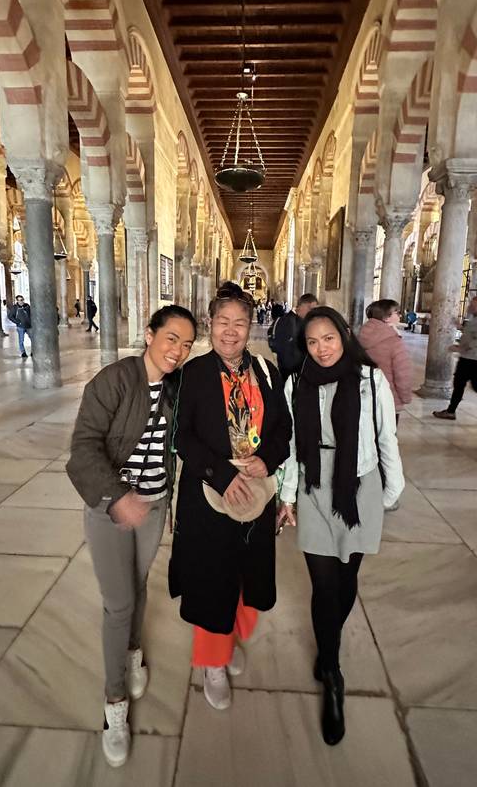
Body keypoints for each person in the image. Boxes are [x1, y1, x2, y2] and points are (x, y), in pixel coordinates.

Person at [66, 305, 196, 768]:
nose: (177, 350)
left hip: (155, 504)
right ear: (149, 334)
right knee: (118, 602)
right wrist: (119, 495)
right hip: (110, 506)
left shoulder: (177, 386)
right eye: (171, 338)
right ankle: (114, 704)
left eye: (185, 343)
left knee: (138, 585)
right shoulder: (115, 380)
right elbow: (82, 449)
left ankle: (134, 651)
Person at [278, 306, 404, 746]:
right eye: (312, 342)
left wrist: (390, 492)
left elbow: (386, 436)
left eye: (328, 338)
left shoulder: (370, 381)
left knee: (347, 575)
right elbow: (294, 444)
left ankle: (326, 646)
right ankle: (332, 671)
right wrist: (288, 495)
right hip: (315, 484)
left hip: (357, 484)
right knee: (324, 583)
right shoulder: (296, 383)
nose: (321, 349)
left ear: (343, 335)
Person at [169, 281, 292, 711]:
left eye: (240, 322)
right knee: (211, 578)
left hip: (256, 492)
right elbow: (181, 437)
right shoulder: (193, 374)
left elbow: (283, 429)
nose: (231, 331)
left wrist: (268, 460)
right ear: (210, 323)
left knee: (247, 573)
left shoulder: (268, 370)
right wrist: (221, 474)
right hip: (209, 494)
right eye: (223, 321)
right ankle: (212, 661)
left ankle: (232, 634)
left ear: (251, 326)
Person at [359, 299, 413, 424]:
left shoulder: (362, 335)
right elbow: (403, 374)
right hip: (388, 397)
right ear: (386, 317)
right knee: (387, 439)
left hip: (366, 394)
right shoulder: (394, 342)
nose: (399, 315)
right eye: (396, 312)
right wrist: (405, 397)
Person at [433, 295, 477, 421]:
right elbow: (471, 335)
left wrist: (460, 349)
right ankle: (451, 411)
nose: (470, 307)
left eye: (473, 305)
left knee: (468, 385)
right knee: (459, 384)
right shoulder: (473, 318)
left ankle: (451, 411)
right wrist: (460, 327)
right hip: (467, 358)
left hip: (472, 360)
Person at [271, 292, 318, 381]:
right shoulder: (286, 322)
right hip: (293, 376)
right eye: (310, 309)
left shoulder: (302, 322)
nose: (312, 313)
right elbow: (286, 354)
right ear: (301, 306)